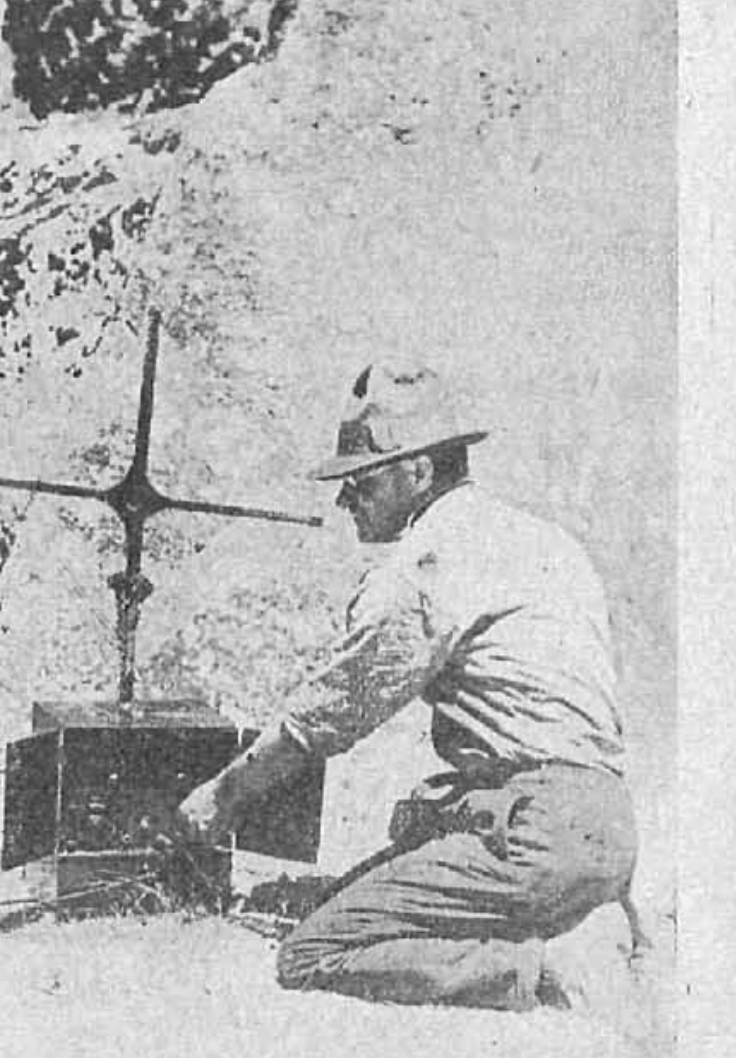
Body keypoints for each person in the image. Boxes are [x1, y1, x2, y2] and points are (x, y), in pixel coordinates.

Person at [176, 362, 639, 1010]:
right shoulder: (543, 541)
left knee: (311, 951)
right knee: (344, 896)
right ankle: (587, 917)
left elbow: (328, 717)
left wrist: (220, 796)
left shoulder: (426, 562)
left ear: (417, 471)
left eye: (360, 482)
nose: (345, 501)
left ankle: (541, 969)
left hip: (534, 834)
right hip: (607, 829)